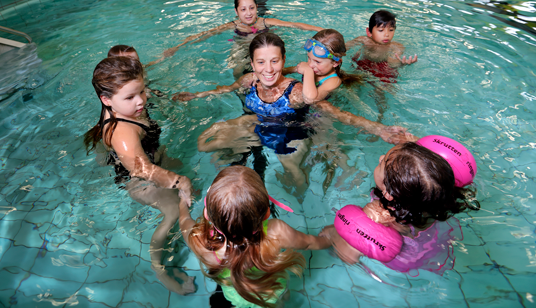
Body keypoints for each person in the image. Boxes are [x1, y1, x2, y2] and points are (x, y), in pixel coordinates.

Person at [173, 32, 415, 193]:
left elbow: (335, 111)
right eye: (260, 63)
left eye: (274, 62)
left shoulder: (297, 92)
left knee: (295, 171)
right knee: (205, 144)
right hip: (258, 125)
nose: (267, 69)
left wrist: (377, 128)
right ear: (253, 64)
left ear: (284, 59)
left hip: (291, 134)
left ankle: (300, 200)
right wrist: (198, 95)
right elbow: (227, 88)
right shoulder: (250, 79)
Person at [83, 56, 195, 295]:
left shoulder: (120, 111)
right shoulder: (121, 131)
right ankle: (159, 269)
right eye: (131, 97)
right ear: (106, 99)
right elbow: (141, 169)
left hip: (152, 159)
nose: (141, 100)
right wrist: (179, 181)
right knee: (172, 212)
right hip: (139, 181)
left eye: (142, 91)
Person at [177, 166, 331, 308]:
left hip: (236, 294)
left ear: (207, 214)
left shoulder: (201, 242)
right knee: (279, 300)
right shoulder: (276, 232)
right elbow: (309, 242)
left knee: (239, 306)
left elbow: (184, 220)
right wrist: (331, 239)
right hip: (272, 290)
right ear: (266, 213)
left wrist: (182, 203)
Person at [320, 141, 479, 275]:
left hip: (398, 256)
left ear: (389, 194)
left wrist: (332, 237)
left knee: (335, 234)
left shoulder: (380, 211)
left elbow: (351, 255)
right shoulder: (433, 197)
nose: (381, 158)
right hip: (429, 243)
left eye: (383, 162)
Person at [161, 0, 323, 78]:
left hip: (263, 51)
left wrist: (318, 29)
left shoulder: (264, 22)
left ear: (257, 7)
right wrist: (177, 47)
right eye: (243, 9)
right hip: (241, 48)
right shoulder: (233, 25)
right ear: (236, 11)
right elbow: (203, 35)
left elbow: (294, 25)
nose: (248, 13)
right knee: (237, 71)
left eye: (251, 8)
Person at [284, 29, 361, 104]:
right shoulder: (311, 66)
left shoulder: (333, 81)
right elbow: (284, 71)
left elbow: (310, 100)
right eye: (309, 58)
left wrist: (308, 72)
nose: (310, 65)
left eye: (317, 62)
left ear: (336, 63)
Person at [345, 10, 417, 84]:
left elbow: (392, 64)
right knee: (351, 82)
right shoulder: (364, 41)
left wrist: (403, 64)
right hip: (364, 65)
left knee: (382, 90)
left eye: (391, 30)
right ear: (369, 32)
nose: (387, 34)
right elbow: (343, 48)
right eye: (381, 30)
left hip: (384, 70)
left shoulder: (395, 47)